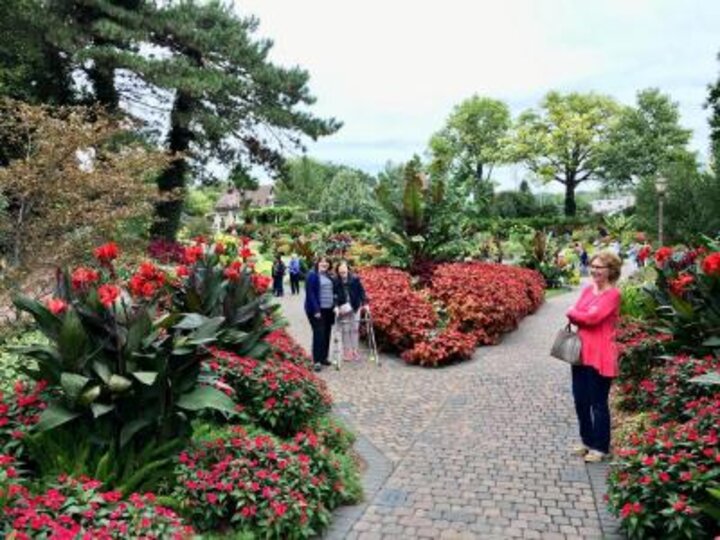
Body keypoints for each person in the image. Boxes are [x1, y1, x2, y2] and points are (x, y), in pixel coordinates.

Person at [565, 250, 622, 463]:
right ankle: (586, 441)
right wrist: (578, 314)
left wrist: (576, 313)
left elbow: (592, 318)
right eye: (593, 266)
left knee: (598, 402)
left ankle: (600, 447)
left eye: (600, 267)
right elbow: (579, 314)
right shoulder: (588, 290)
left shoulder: (613, 294)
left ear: (611, 271)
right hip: (580, 353)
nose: (595, 271)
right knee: (580, 400)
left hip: (601, 355)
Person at [304, 255, 336, 371]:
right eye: (322, 262)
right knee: (319, 333)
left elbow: (334, 291)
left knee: (327, 333)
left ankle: (323, 358)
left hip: (329, 310)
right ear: (317, 263)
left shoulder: (329, 275)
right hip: (316, 311)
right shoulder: (312, 275)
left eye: (327, 262)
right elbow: (310, 294)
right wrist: (316, 310)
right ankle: (316, 360)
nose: (325, 264)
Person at [334, 261, 369, 362]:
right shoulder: (335, 281)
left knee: (354, 330)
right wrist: (336, 306)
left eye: (344, 270)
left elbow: (362, 292)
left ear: (347, 269)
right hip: (343, 308)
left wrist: (365, 304)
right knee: (345, 330)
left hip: (355, 307)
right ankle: (347, 352)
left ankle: (354, 351)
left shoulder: (355, 279)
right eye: (340, 271)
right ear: (338, 271)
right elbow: (335, 295)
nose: (342, 272)